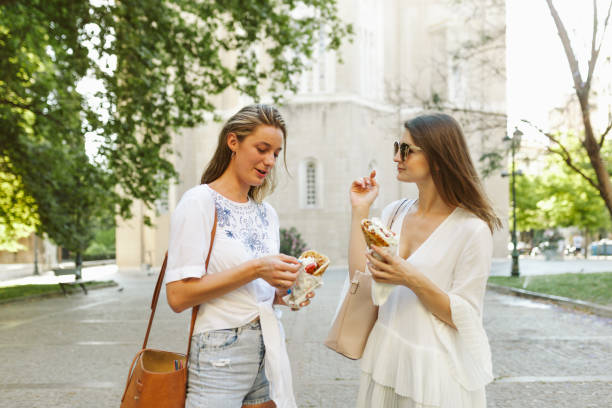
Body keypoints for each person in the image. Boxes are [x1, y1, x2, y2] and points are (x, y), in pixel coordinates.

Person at [348, 113, 502, 407]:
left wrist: (408, 276)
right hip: (386, 359)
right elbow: (360, 278)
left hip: (436, 373)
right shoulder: (395, 213)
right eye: (397, 146)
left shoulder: (472, 229)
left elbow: (464, 316)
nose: (396, 157)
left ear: (439, 157)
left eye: (406, 149)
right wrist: (360, 211)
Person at [165, 104, 312, 408]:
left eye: (276, 153)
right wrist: (257, 268)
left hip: (267, 349)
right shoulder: (200, 202)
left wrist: (283, 293)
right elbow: (178, 296)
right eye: (262, 148)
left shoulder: (266, 213)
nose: (270, 160)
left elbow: (255, 292)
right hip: (219, 353)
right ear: (233, 142)